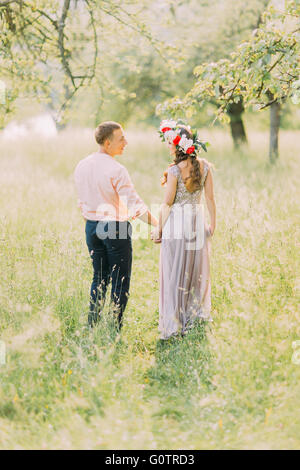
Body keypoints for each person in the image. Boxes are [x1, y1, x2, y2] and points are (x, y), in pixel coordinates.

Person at [74, 121, 158, 329]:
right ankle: (115, 326)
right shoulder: (117, 169)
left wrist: (91, 223)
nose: (126, 142)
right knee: (120, 279)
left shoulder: (82, 165)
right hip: (115, 228)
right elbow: (135, 205)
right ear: (108, 142)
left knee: (99, 277)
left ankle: (92, 324)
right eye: (121, 139)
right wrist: (158, 224)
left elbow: (82, 201)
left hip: (92, 227)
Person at [152, 120, 216, 339]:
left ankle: (174, 321)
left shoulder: (174, 170)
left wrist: (158, 228)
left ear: (179, 146)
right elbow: (209, 199)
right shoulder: (205, 166)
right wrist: (212, 223)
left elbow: (168, 203)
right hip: (197, 223)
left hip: (177, 224)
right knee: (194, 271)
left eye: (171, 143)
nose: (168, 146)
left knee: (174, 272)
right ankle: (192, 316)